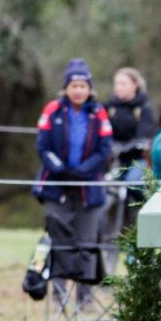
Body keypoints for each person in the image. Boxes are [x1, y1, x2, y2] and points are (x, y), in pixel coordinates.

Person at [30, 59, 113, 306]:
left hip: (89, 188)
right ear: (66, 87)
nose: (78, 90)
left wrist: (83, 171)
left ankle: (84, 299)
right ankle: (59, 296)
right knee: (59, 240)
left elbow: (105, 149)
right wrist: (62, 170)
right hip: (57, 186)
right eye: (74, 85)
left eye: (82, 85)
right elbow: (43, 147)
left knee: (86, 242)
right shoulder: (52, 110)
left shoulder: (98, 112)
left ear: (89, 88)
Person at [105, 67, 156, 223]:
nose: (118, 87)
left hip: (138, 161)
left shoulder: (144, 108)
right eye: (116, 84)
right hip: (116, 161)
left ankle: (147, 219)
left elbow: (143, 139)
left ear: (135, 85)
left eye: (123, 83)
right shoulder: (109, 107)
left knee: (133, 184)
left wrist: (122, 148)